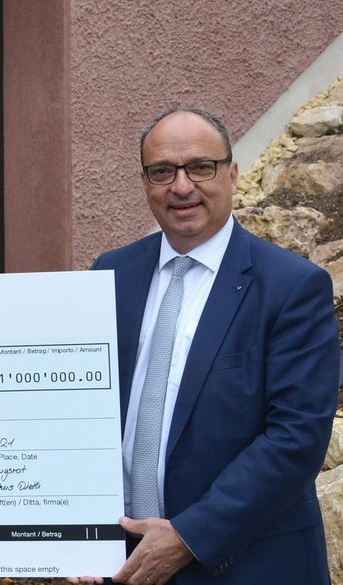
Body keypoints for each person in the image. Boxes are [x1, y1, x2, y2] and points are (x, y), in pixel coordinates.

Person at [69, 108, 337, 585]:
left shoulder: (292, 287)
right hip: (120, 563)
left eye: (200, 167)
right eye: (162, 171)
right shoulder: (111, 273)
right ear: (145, 182)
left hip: (245, 565)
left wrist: (188, 536)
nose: (181, 186)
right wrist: (72, 538)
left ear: (232, 174)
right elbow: (79, 407)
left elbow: (296, 438)